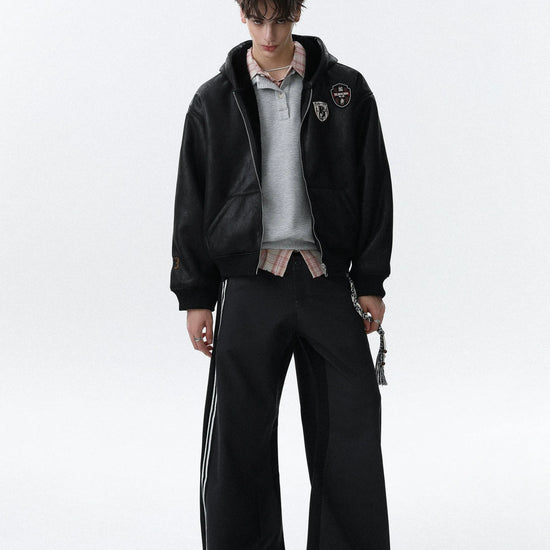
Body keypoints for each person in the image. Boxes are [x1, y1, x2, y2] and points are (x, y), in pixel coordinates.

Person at [170, 0, 393, 548]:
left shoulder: (345, 90)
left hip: (326, 283)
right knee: (239, 443)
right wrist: (196, 294)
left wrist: (369, 281)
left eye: (280, 19)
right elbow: (191, 200)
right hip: (248, 285)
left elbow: (374, 186)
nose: (269, 34)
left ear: (297, 14)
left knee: (351, 434)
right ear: (242, 15)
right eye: (258, 20)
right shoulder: (213, 101)